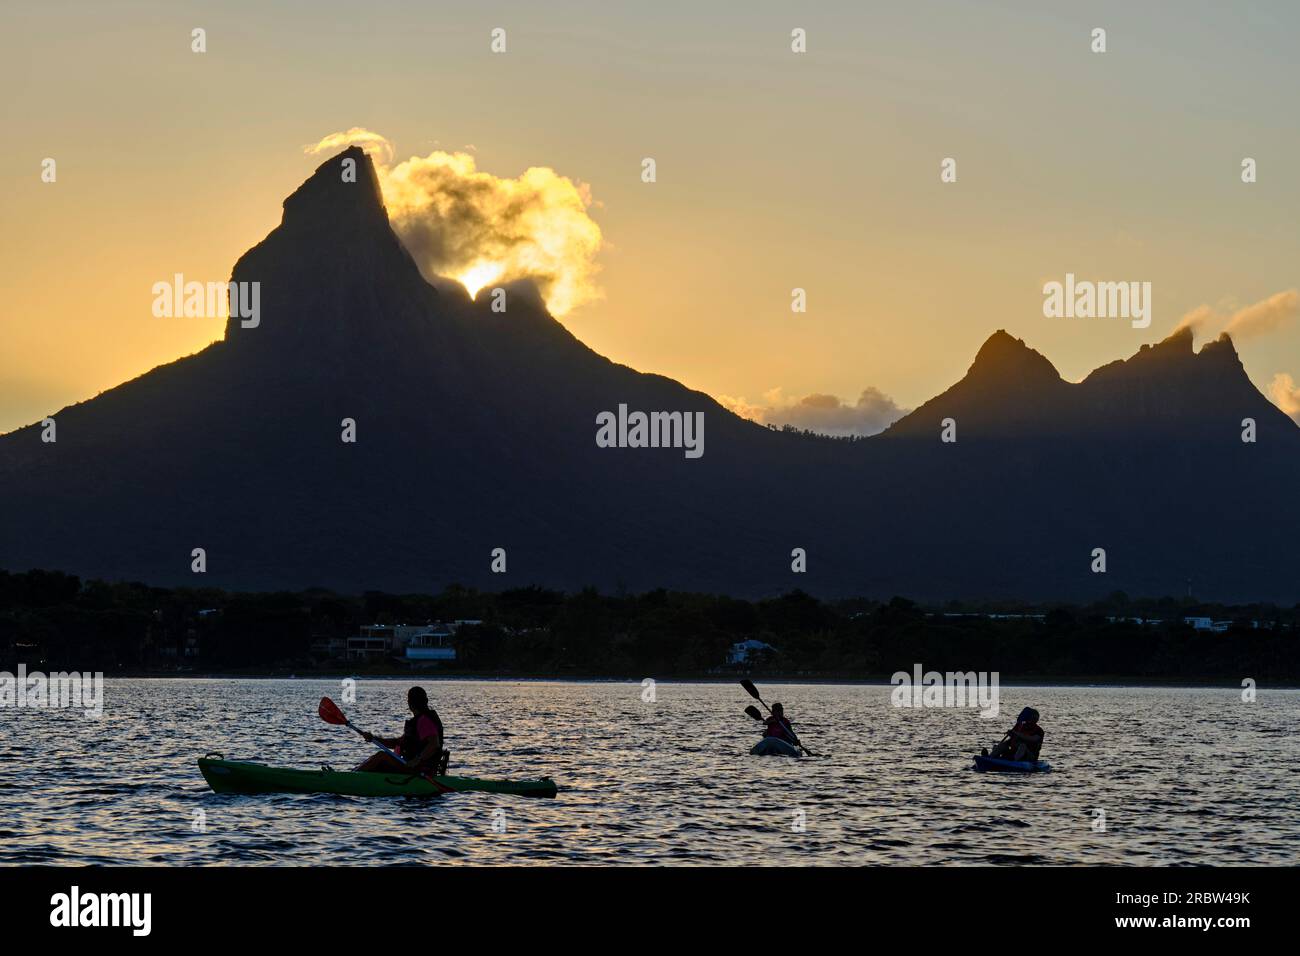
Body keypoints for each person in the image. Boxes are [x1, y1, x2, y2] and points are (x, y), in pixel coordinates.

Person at [354, 686, 445, 775]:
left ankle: (353, 776)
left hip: (418, 769)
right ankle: (355, 774)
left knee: (381, 756)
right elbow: (397, 743)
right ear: (426, 701)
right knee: (377, 758)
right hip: (412, 766)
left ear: (409, 703)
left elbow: (434, 744)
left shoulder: (424, 720)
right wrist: (373, 738)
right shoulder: (420, 720)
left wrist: (417, 760)